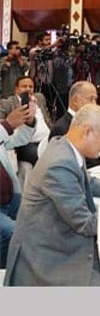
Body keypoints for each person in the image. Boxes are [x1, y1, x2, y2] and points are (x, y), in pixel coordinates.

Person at [3, 105, 100, 286]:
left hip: (59, 240)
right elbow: (86, 224)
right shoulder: (59, 164)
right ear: (87, 132)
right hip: (46, 258)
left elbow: (88, 182)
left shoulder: (65, 146)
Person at [0, 103, 36, 268]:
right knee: (13, 232)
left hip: (10, 199)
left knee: (39, 219)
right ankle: (5, 273)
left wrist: (28, 123)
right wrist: (8, 125)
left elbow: (18, 140)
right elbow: (4, 131)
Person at [0, 76, 51, 173]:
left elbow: (48, 119)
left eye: (31, 86)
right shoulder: (7, 103)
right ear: (16, 89)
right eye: (24, 86)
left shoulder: (39, 98)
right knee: (42, 156)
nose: (28, 89)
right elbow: (2, 124)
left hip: (46, 138)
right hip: (25, 144)